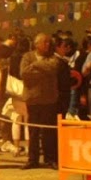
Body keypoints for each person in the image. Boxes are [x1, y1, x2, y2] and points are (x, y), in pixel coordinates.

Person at [19, 33, 64, 169]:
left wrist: (36, 66)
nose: (47, 45)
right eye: (44, 42)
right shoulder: (27, 57)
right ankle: (33, 159)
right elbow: (24, 73)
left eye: (48, 42)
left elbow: (53, 69)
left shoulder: (53, 57)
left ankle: (50, 159)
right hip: (33, 100)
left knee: (49, 132)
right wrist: (43, 68)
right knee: (33, 131)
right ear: (36, 44)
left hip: (49, 100)